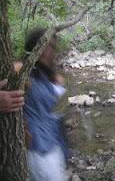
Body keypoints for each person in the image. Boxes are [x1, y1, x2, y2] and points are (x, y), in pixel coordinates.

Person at [23, 27, 68, 181]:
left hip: (55, 140)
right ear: (33, 46)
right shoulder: (21, 70)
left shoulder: (52, 75)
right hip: (36, 145)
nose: (47, 51)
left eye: (52, 47)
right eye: (44, 45)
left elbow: (59, 111)